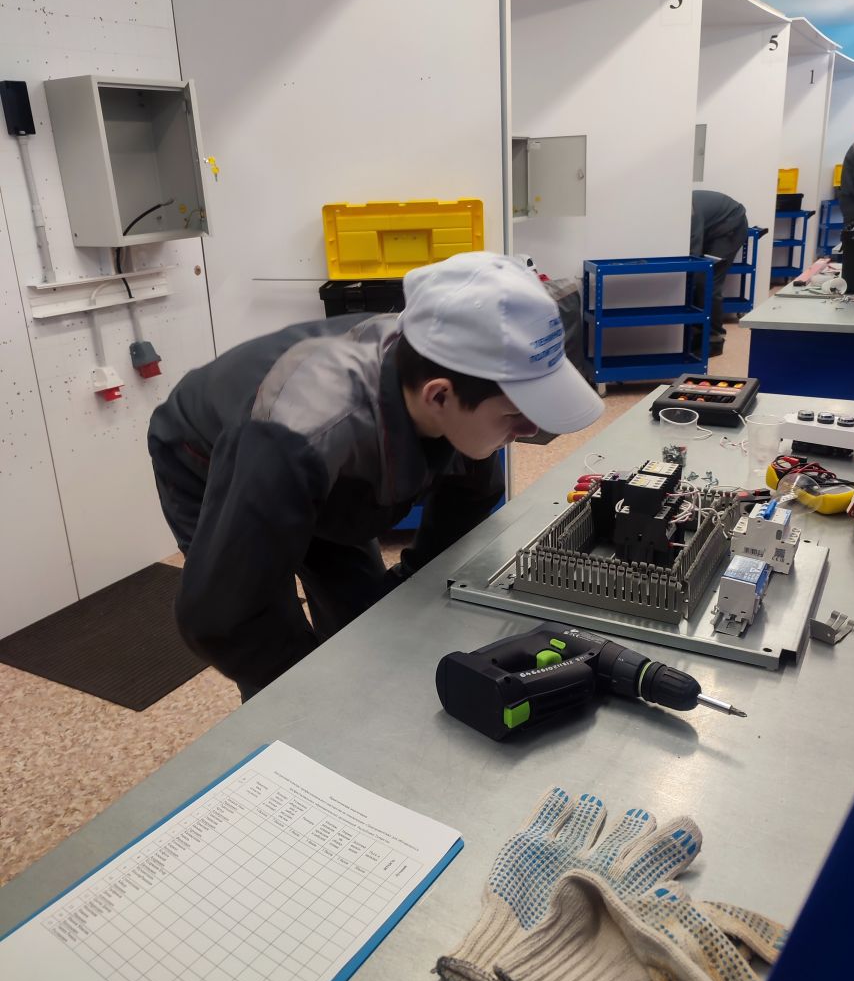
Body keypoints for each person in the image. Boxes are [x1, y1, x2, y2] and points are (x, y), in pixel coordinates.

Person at [148, 253, 604, 700]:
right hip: (207, 454)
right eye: (514, 413)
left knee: (365, 609)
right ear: (438, 397)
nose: (529, 430)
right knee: (263, 620)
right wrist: (306, 697)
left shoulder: (452, 376)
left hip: (315, 461)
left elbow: (469, 498)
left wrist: (413, 581)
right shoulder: (299, 438)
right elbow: (222, 619)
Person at [689, 189, 749, 356]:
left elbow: (693, 251)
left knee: (706, 281)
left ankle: (714, 338)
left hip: (731, 226)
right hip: (713, 228)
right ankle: (697, 333)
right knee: (696, 280)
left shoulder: (690, 210)